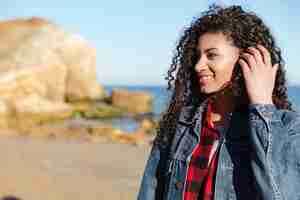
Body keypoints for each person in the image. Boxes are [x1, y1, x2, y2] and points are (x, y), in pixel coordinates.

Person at [137, 4, 300, 200]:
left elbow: (281, 194)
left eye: (212, 55)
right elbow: (150, 191)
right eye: (197, 56)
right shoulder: (180, 123)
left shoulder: (287, 128)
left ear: (247, 59)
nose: (198, 66)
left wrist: (263, 106)